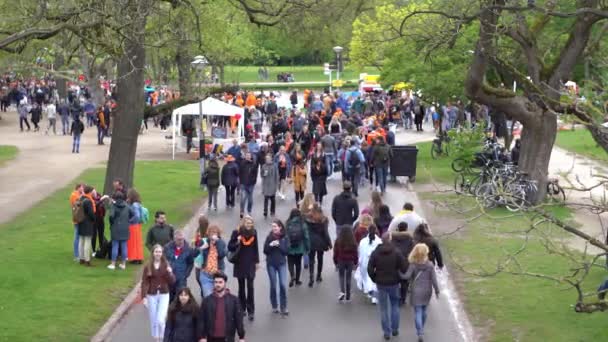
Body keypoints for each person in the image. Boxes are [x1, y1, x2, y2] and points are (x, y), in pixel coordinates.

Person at [367, 233, 408, 340]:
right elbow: (404, 268)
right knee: (395, 306)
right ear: (390, 240)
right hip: (394, 283)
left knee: (383, 309)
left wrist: (374, 278)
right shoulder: (396, 252)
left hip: (381, 283)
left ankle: (386, 332)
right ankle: (395, 329)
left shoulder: (376, 252)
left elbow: (370, 268)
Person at [403, 243, 440, 342]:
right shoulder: (430, 265)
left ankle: (419, 332)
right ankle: (422, 329)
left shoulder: (413, 265)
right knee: (424, 311)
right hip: (427, 290)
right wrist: (437, 291)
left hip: (416, 291)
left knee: (418, 312)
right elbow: (434, 280)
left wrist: (399, 273)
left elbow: (406, 276)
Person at [197, 272, 245, 342]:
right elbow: (202, 320)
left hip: (228, 338)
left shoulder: (234, 300)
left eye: (220, 282)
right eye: (216, 282)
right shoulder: (207, 301)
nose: (218, 284)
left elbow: (238, 319)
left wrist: (241, 337)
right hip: (211, 338)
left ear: (225, 283)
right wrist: (202, 337)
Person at [141, 244, 175, 342]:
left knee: (160, 319)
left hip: (164, 294)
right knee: (154, 319)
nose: (158, 254)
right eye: (156, 252)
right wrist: (144, 297)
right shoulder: (148, 266)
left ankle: (164, 338)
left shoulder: (166, 264)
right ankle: (156, 339)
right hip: (151, 295)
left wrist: (170, 272)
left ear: (162, 253)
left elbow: (172, 281)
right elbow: (145, 282)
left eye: (160, 252)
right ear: (153, 253)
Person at [228, 216, 259, 321]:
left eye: (250, 223)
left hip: (250, 262)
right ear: (243, 223)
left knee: (250, 287)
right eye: (247, 223)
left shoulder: (254, 232)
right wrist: (237, 241)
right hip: (240, 262)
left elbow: (256, 248)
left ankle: (251, 311)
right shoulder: (236, 232)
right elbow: (230, 247)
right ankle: (242, 308)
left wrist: (257, 261)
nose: (249, 225)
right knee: (241, 287)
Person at [263, 220, 289, 316]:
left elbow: (286, 251)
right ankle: (274, 305)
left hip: (282, 263)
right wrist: (270, 245)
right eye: (272, 226)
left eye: (275, 226)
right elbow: (265, 251)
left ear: (280, 227)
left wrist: (279, 245)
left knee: (282, 284)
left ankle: (284, 306)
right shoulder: (269, 237)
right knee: (273, 285)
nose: (274, 228)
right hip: (271, 264)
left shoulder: (284, 238)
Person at [197, 225, 228, 298]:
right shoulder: (204, 242)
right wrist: (201, 248)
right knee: (208, 297)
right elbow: (195, 254)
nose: (213, 234)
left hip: (218, 275)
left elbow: (221, 254)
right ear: (208, 234)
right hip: (206, 274)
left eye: (215, 233)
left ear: (218, 234)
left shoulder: (221, 243)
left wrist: (218, 242)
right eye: (211, 232)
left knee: (219, 297)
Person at [305, 203, 332, 287]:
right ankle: (319, 275)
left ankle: (311, 277)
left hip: (311, 241)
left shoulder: (307, 218)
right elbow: (325, 233)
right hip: (321, 241)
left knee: (311, 260)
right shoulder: (324, 219)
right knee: (320, 259)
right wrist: (329, 243)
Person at [164, 230, 195, 301]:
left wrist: (186, 274)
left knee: (180, 298)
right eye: (178, 240)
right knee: (169, 298)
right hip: (169, 278)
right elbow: (163, 260)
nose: (180, 241)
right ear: (174, 239)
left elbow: (190, 263)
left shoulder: (189, 249)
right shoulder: (167, 247)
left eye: (182, 239)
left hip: (181, 279)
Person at [355, 225, 381, 305]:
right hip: (376, 263)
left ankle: (370, 291)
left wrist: (359, 261)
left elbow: (360, 252)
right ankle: (374, 296)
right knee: (374, 279)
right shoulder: (379, 241)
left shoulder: (363, 241)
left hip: (365, 262)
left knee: (366, 278)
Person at [285, 208, 310, 287]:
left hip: (290, 247)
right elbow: (306, 237)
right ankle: (297, 280)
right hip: (300, 247)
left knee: (290, 263)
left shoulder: (288, 223)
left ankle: (292, 275)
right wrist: (307, 247)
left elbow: (285, 235)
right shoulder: (302, 223)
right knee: (298, 263)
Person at [108, 191, 133, 270]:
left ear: (114, 198)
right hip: (125, 227)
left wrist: (112, 223)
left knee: (115, 245)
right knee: (124, 246)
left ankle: (113, 264)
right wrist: (128, 221)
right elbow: (133, 214)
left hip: (115, 227)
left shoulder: (113, 206)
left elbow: (111, 216)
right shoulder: (127, 206)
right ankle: (123, 264)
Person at [333, 226, 358, 302]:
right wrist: (355, 261)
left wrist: (335, 261)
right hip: (350, 261)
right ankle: (348, 294)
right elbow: (355, 253)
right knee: (349, 277)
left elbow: (335, 252)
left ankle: (342, 291)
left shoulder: (338, 240)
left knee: (341, 276)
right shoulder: (353, 241)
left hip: (341, 260)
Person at [392, 222, 414, 305]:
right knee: (404, 281)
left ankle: (394, 297)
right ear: (406, 229)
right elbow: (412, 251)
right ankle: (402, 299)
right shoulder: (410, 239)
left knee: (394, 280)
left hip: (394, 260)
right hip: (405, 261)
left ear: (398, 228)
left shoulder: (393, 238)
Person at [77, 185, 97, 266]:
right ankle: (87, 260)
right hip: (87, 222)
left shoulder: (81, 198)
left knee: (81, 241)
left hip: (81, 221)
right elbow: (91, 213)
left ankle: (81, 258)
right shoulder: (88, 201)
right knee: (87, 241)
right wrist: (94, 219)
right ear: (90, 192)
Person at [126, 188, 144, 264]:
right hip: (137, 225)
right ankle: (138, 257)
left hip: (133, 226)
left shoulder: (134, 205)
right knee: (137, 242)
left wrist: (129, 221)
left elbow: (136, 216)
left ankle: (134, 258)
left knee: (133, 243)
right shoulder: (138, 204)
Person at [238, 152, 257, 218]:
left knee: (250, 199)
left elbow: (255, 174)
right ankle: (242, 211)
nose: (248, 157)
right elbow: (239, 172)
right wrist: (240, 182)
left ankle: (249, 211)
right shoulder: (242, 163)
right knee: (243, 198)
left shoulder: (254, 164)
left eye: (249, 156)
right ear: (245, 156)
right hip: (243, 183)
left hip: (251, 184)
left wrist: (254, 182)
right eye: (247, 156)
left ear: (251, 156)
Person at [69, 183, 84, 261]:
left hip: (78, 217)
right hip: (77, 218)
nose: (83, 189)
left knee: (78, 236)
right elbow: (77, 205)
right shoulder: (74, 195)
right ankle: (76, 255)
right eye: (82, 187)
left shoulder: (76, 194)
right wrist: (82, 196)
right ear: (79, 187)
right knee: (77, 236)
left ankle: (79, 253)